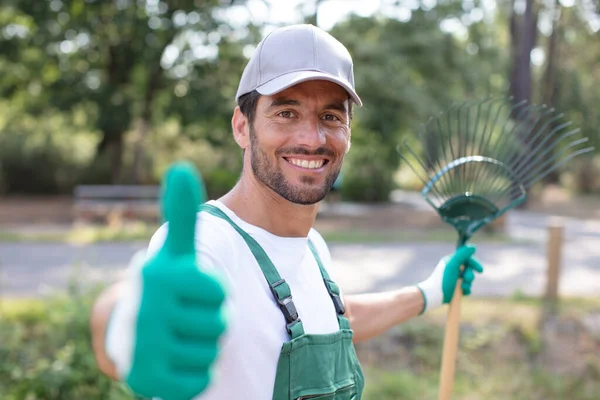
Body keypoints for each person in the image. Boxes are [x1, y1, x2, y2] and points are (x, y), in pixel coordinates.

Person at [90, 24, 483, 400]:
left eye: (331, 116)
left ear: (348, 132)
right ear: (242, 127)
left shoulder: (312, 247)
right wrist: (123, 330)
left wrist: (430, 292)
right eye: (286, 113)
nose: (312, 138)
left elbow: (335, 317)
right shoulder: (208, 243)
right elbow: (137, 310)